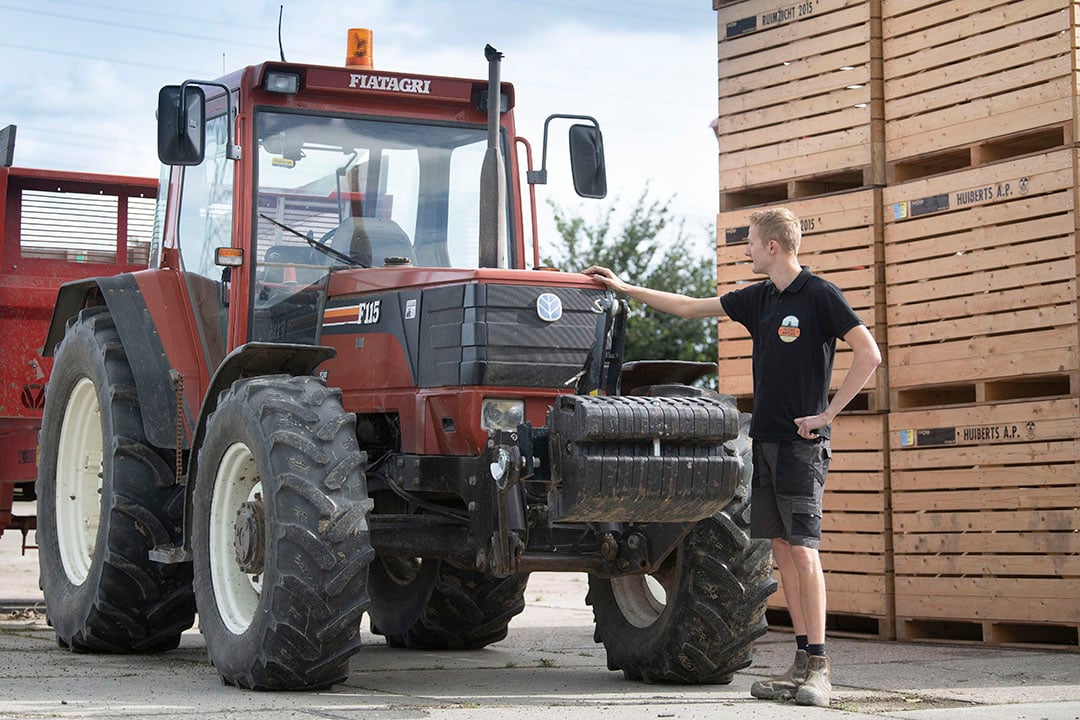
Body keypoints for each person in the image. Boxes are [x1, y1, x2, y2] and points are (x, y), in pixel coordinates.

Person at [583, 207, 881, 707]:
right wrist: (626, 288)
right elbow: (687, 308)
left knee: (804, 550)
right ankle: (801, 659)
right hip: (763, 442)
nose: (744, 250)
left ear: (773, 247)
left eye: (750, 243)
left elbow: (868, 353)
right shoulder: (758, 299)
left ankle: (820, 669)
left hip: (800, 447)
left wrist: (827, 414)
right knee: (782, 550)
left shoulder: (820, 296)